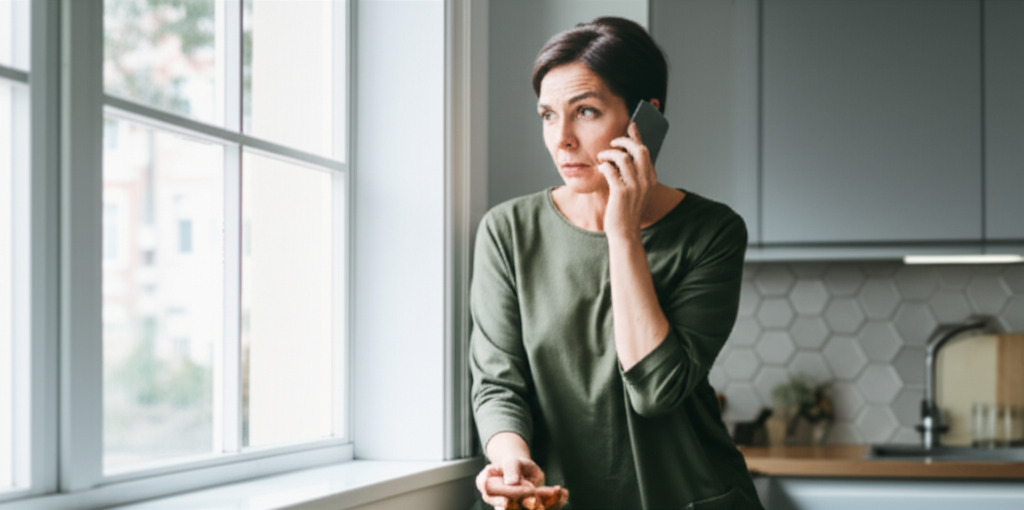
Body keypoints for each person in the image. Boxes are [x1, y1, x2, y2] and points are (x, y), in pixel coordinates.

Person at [470, 16, 763, 510]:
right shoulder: (507, 231)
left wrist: (622, 231)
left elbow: (656, 391)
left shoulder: (713, 232)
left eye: (585, 111)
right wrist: (511, 460)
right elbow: (498, 384)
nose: (561, 138)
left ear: (645, 119)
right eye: (548, 115)